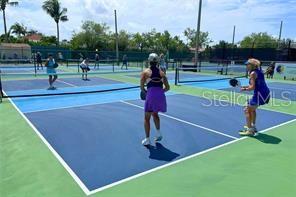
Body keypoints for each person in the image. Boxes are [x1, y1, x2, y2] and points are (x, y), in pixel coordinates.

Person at [140, 53, 170, 146]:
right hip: (160, 96)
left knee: (146, 118)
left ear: (149, 61)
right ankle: (158, 133)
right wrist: (160, 92)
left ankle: (147, 139)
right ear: (157, 61)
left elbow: (141, 87)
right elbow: (168, 88)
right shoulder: (162, 73)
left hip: (151, 95)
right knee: (155, 114)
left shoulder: (145, 72)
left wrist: (147, 92)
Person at [239, 58, 270, 136]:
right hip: (265, 93)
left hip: (260, 94)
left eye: (247, 64)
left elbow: (252, 87)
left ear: (252, 65)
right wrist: (245, 86)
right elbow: (256, 85)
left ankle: (250, 130)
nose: (246, 66)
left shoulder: (252, 73)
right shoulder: (259, 71)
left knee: (246, 109)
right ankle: (253, 126)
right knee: (252, 110)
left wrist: (245, 89)